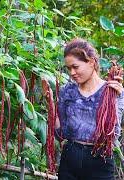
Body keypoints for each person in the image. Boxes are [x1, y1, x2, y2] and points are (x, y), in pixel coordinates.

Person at [55, 38, 124, 180]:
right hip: (70, 160)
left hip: (100, 161)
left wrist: (118, 98)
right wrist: (49, 101)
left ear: (91, 62)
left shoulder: (112, 91)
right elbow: (60, 132)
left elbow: (114, 134)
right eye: (69, 68)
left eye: (75, 67)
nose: (72, 73)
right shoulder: (67, 91)